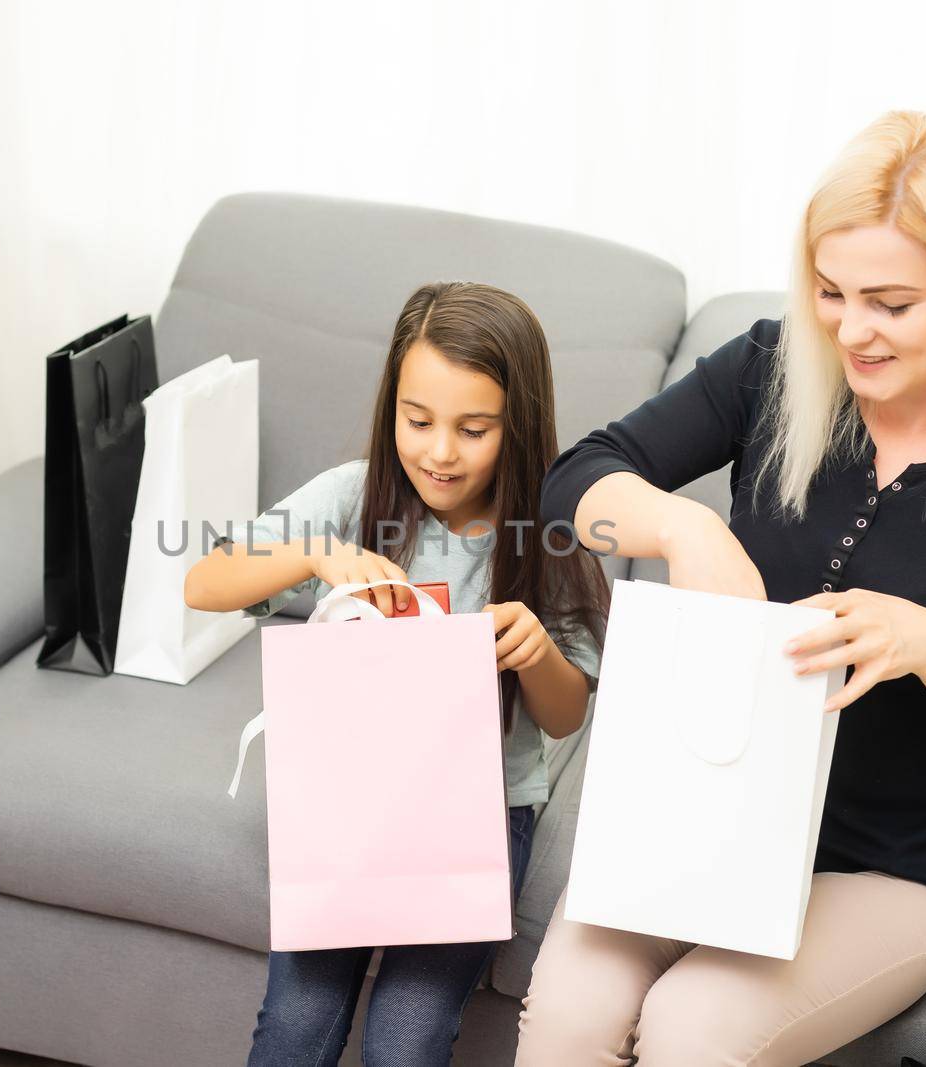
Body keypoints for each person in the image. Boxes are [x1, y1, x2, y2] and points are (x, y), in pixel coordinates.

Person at [516, 110, 926, 1066]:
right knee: (565, 1015)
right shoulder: (772, 369)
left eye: (891, 302)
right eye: (830, 291)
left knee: (691, 1029)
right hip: (696, 827)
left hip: (890, 873)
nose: (851, 330)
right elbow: (573, 486)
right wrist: (685, 526)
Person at [184, 280, 609, 1066]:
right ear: (392, 411)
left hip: (482, 807)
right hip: (350, 797)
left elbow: (565, 715)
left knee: (405, 1040)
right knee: (295, 1025)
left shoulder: (553, 529)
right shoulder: (356, 497)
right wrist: (315, 552)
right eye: (418, 421)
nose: (440, 451)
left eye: (473, 428)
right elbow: (203, 582)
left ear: (518, 424)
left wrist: (537, 652)